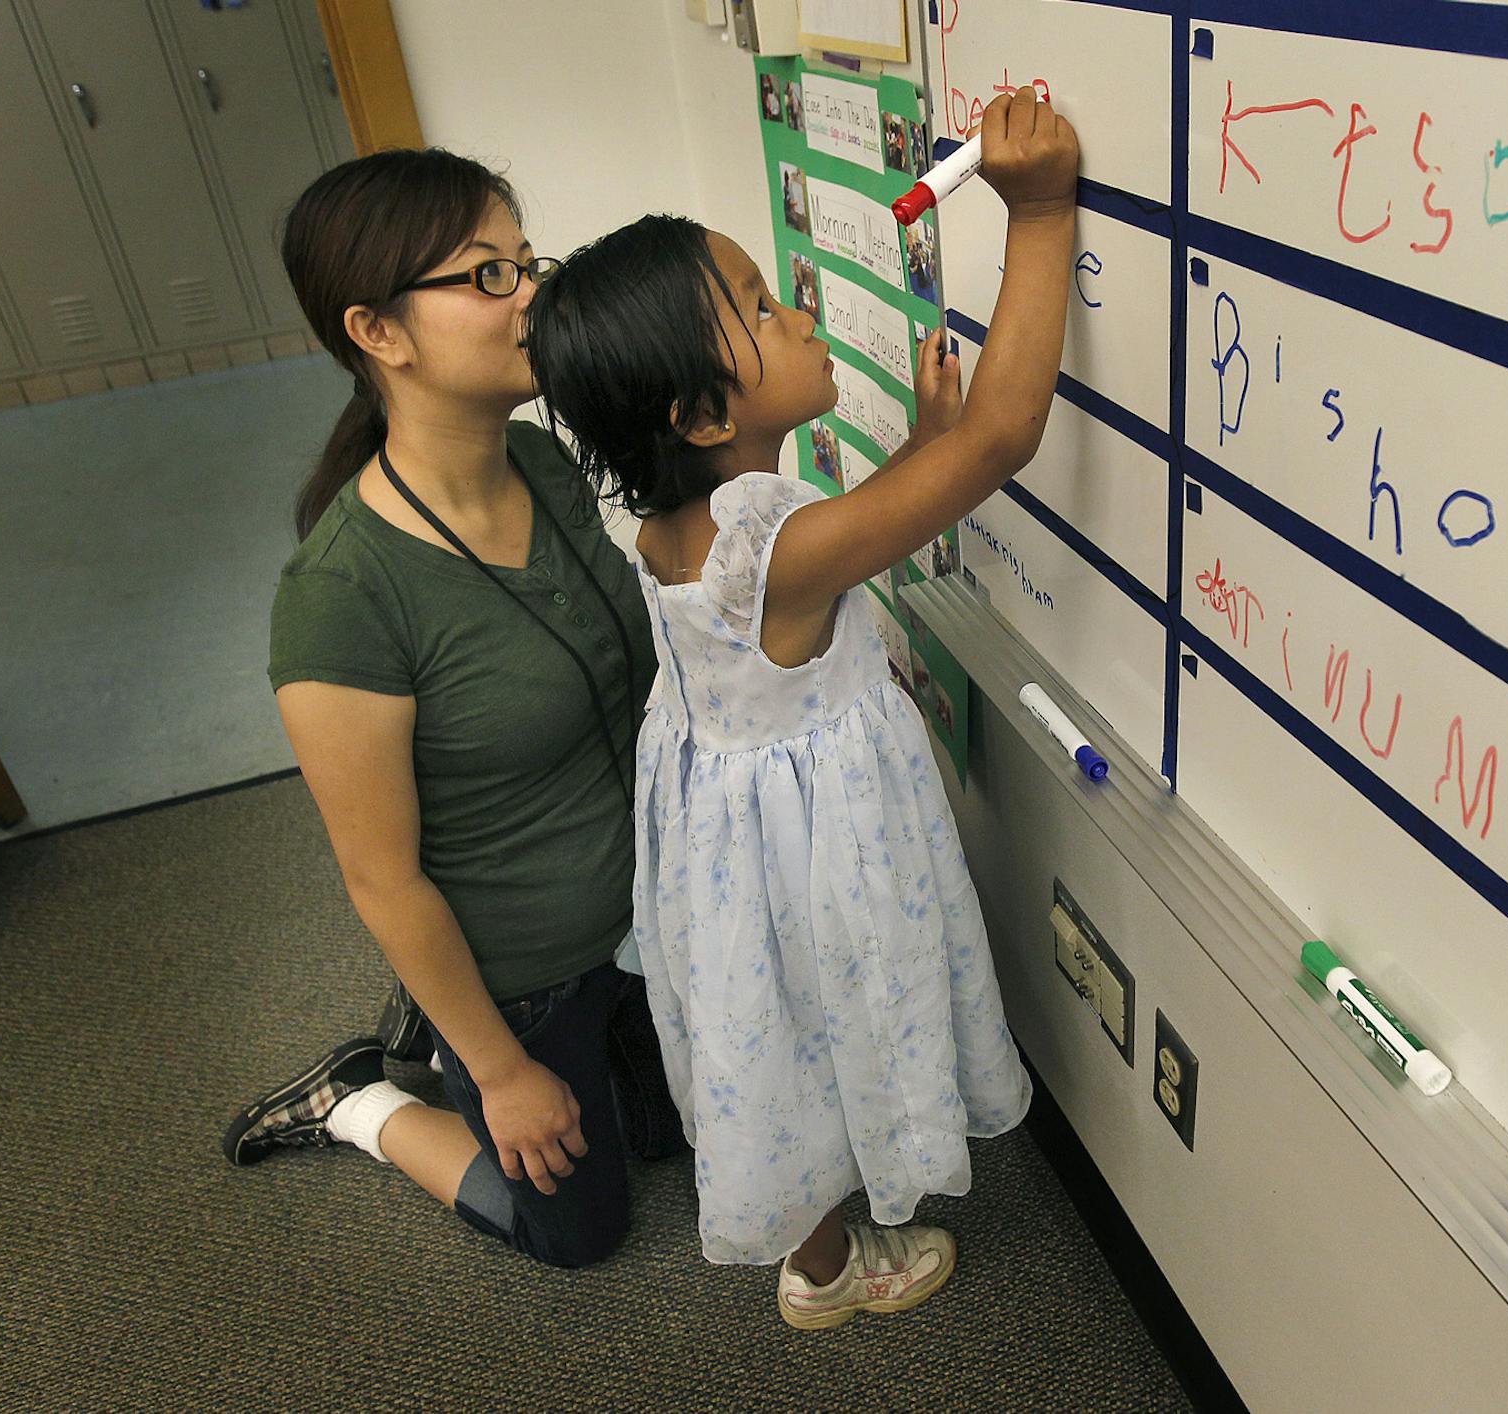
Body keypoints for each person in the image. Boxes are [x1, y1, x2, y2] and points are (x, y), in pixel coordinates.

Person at [523, 89, 1078, 1325]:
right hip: (815, 852)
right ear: (708, 415)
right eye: (766, 310)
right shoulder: (777, 548)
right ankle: (832, 1271)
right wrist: (1039, 210)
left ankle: (812, 1251)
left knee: (767, 1038)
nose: (805, 311)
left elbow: (794, 586)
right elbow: (1001, 439)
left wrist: (905, 471)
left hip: (730, 852)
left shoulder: (678, 526)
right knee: (837, 1014)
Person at [219, 149, 674, 1269]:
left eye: (527, 263)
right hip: (517, 981)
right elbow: (383, 877)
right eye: (486, 276)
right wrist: (507, 1070)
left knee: (684, 1138)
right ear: (379, 332)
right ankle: (365, 1099)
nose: (531, 295)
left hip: (651, 911)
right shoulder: (340, 600)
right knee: (580, 1234)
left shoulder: (538, 460)